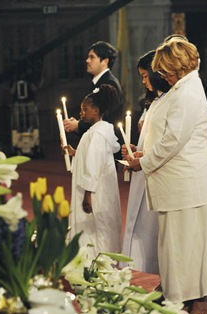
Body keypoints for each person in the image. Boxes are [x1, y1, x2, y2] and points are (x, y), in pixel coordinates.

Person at [126, 39, 207, 314]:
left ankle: (200, 305)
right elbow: (169, 137)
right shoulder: (182, 88)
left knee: (192, 247)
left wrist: (143, 162)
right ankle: (179, 298)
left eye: (166, 70)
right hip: (179, 182)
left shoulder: (188, 93)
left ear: (178, 67)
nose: (163, 76)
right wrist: (144, 152)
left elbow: (173, 141)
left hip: (190, 183)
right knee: (178, 247)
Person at [120, 50, 170, 273]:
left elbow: (168, 140)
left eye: (144, 75)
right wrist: (135, 149)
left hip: (158, 171)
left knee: (153, 229)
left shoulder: (168, 100)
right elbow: (148, 138)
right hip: (146, 166)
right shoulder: (155, 100)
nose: (142, 80)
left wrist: (143, 155)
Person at [64, 84, 122, 254]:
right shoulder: (95, 132)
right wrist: (75, 152)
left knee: (96, 227)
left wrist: (88, 194)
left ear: (95, 111)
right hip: (96, 188)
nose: (81, 113)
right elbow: (90, 156)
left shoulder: (97, 134)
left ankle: (98, 261)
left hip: (94, 191)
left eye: (84, 109)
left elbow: (94, 164)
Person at [63, 41, 123, 145]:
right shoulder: (97, 82)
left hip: (104, 144)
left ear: (104, 61)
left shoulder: (109, 83)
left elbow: (106, 117)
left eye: (92, 57)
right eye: (88, 57)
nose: (87, 60)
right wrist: (80, 122)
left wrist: (78, 125)